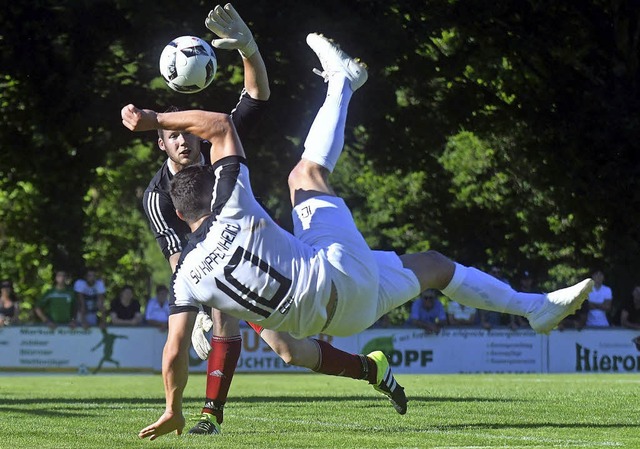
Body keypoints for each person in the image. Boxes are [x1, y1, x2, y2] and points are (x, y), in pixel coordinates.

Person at [123, 31, 592, 441]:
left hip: (346, 315)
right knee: (305, 172)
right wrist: (156, 114)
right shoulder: (224, 198)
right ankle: (342, 82)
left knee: (431, 265)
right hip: (332, 271)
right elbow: (223, 124)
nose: (185, 140)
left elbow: (173, 346)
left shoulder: (186, 269)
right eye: (173, 135)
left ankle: (535, 308)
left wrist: (171, 404)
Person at [140, 4, 406, 436]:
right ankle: (367, 371)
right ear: (161, 145)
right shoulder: (158, 197)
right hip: (211, 268)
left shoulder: (216, 148)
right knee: (271, 341)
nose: (186, 141)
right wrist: (201, 308)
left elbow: (257, 97)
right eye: (175, 136)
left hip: (255, 247)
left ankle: (211, 415)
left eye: (189, 132)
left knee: (290, 352)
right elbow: (177, 259)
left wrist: (249, 48)